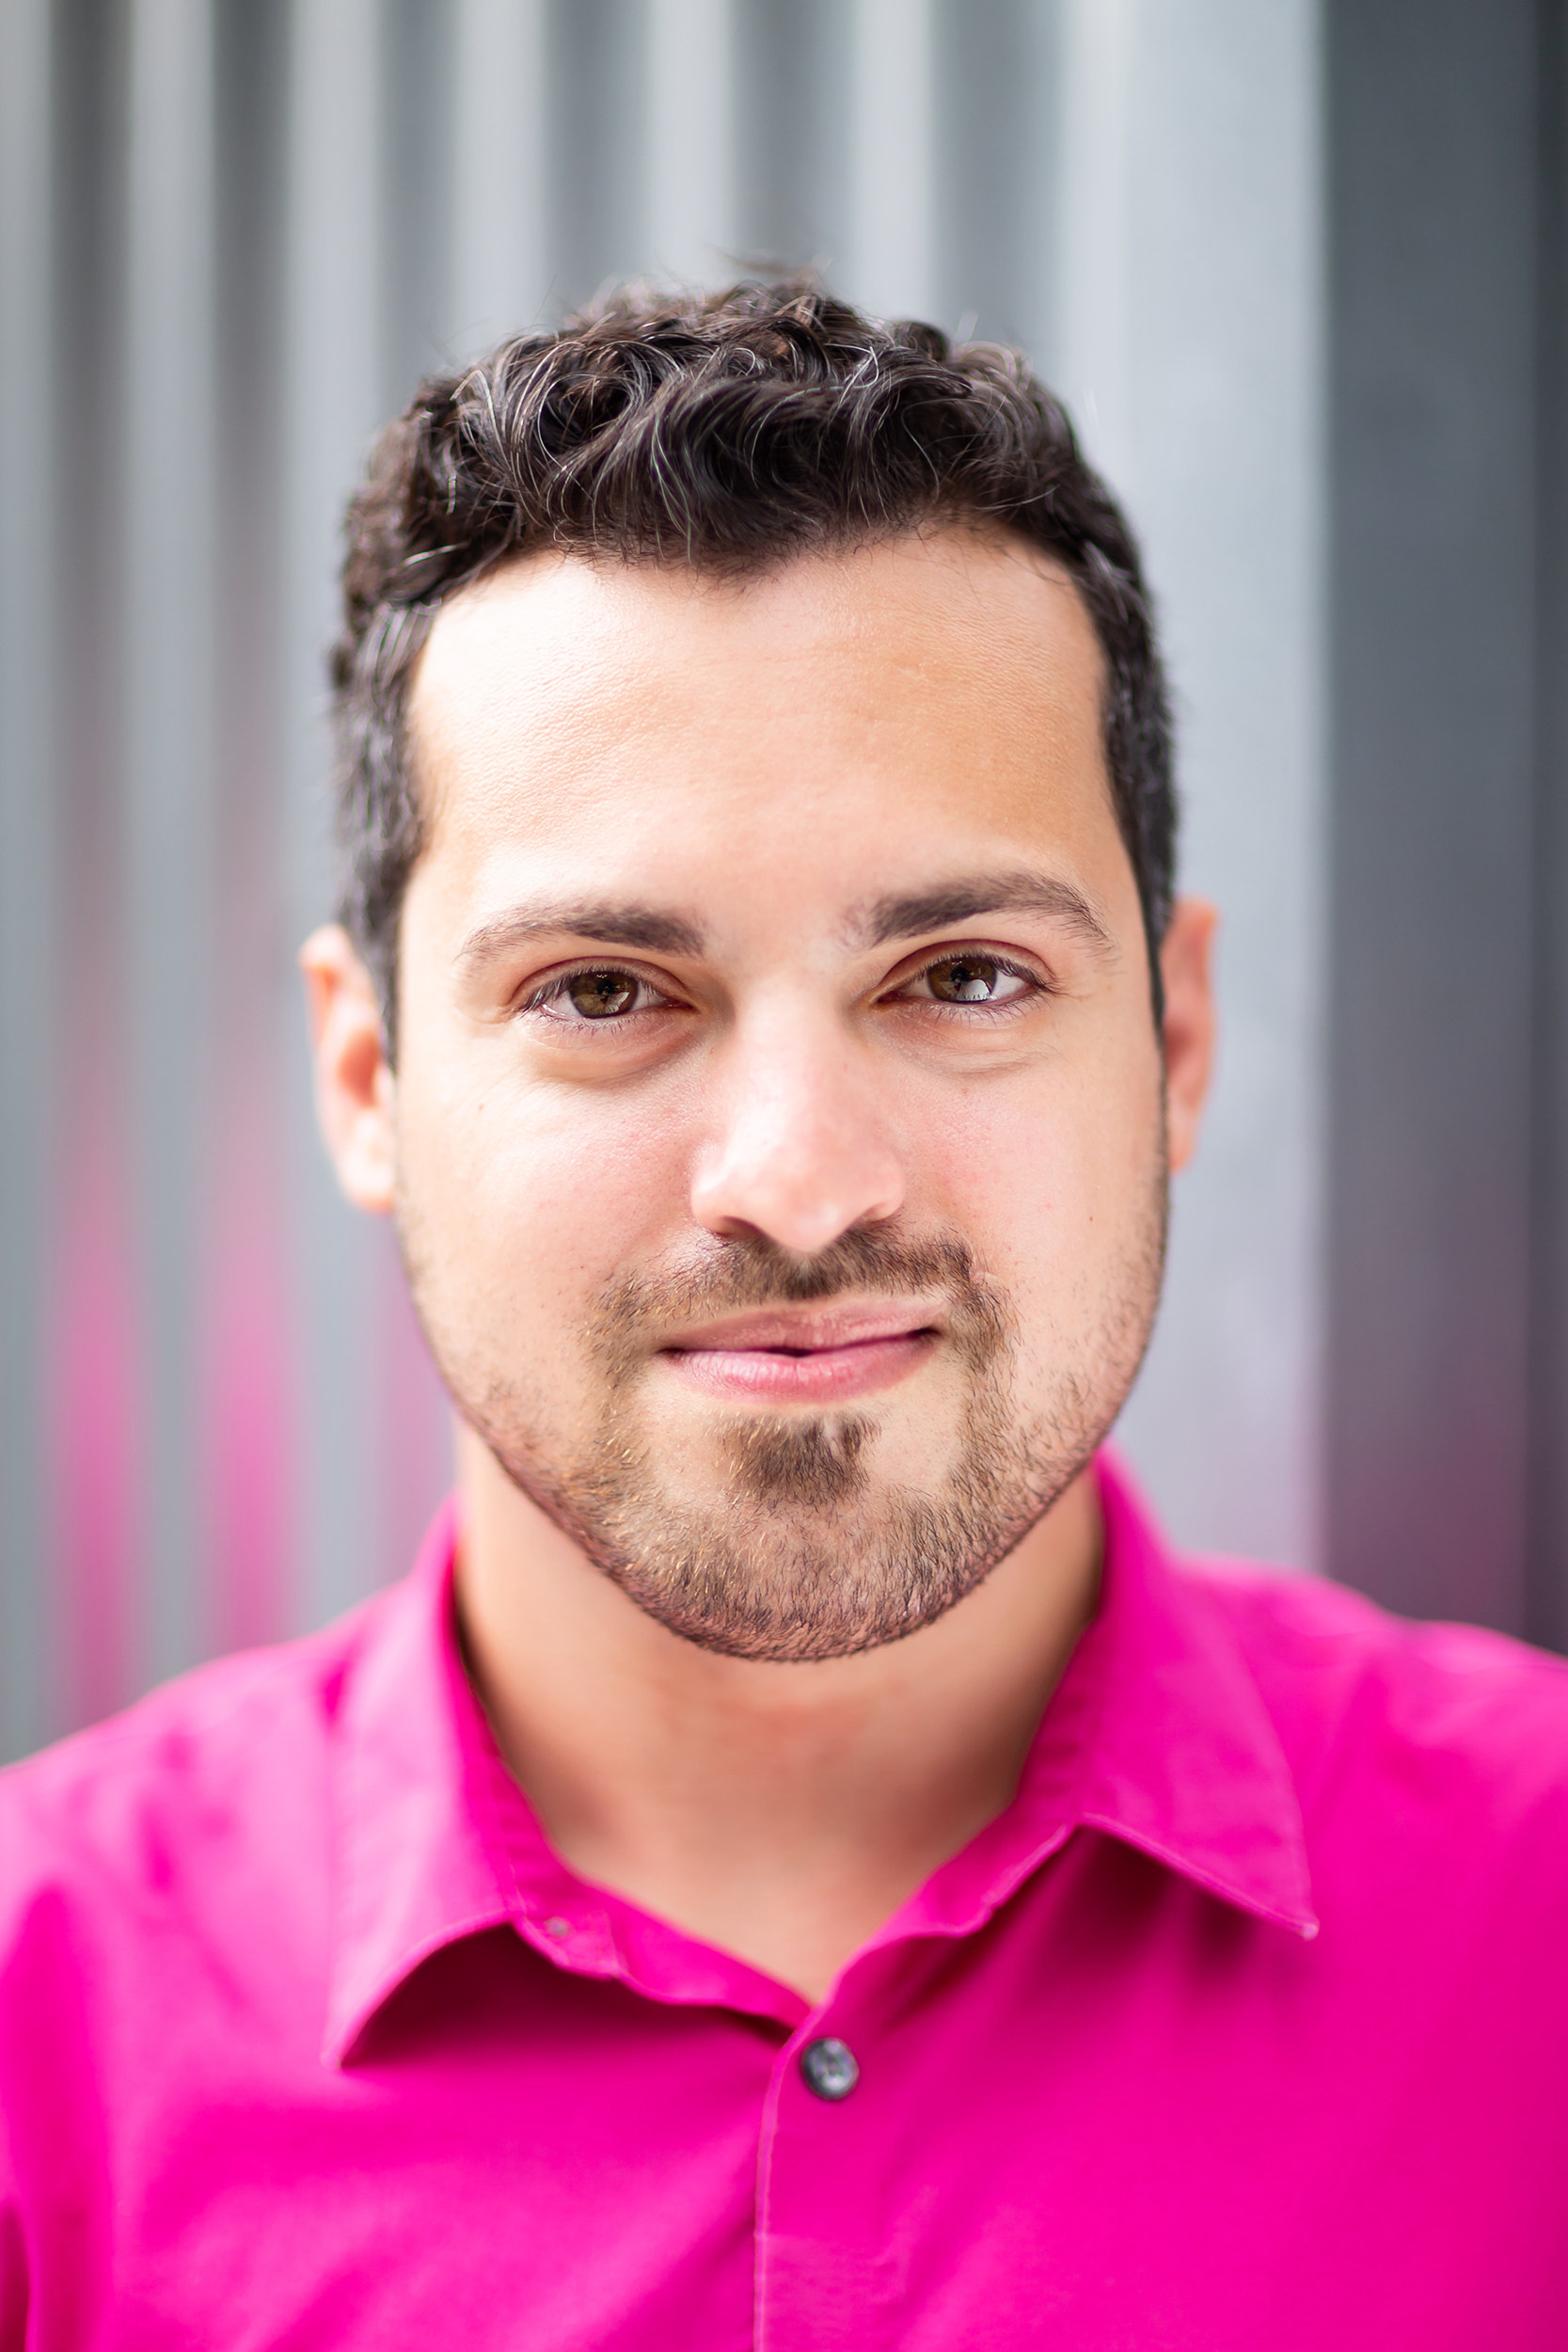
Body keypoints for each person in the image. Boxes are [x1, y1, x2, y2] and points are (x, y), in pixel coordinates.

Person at [3, 279, 1567, 2350]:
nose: (802, 1173)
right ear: (369, 1078)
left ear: (1176, 1032)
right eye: (606, 992)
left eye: (964, 974)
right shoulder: (44, 2033)